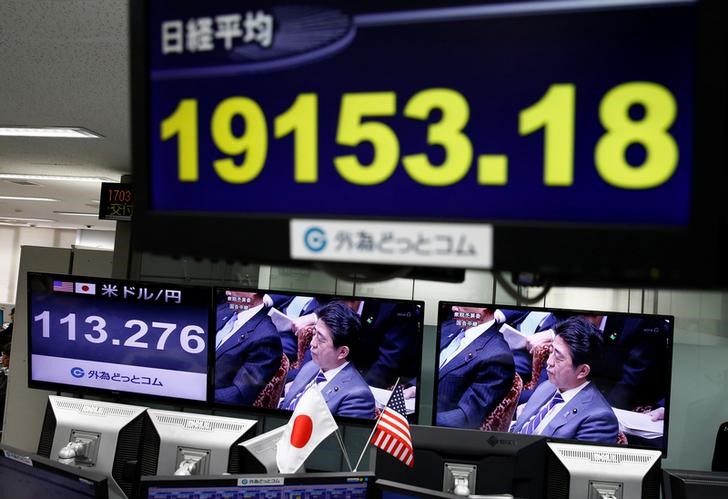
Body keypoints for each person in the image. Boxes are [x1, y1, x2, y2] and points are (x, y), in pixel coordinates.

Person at [511, 317, 619, 443]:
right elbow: (517, 430)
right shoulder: (547, 386)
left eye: (558, 357)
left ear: (582, 371)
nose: (549, 362)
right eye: (551, 352)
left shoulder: (599, 419)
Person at [279, 301, 376, 419]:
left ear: (342, 352)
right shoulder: (310, 367)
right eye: (314, 334)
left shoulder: (357, 397)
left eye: (320, 339)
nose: (312, 343)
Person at [435, 305, 515, 429]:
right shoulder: (449, 326)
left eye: (460, 304)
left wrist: (420, 417)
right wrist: (415, 387)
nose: (453, 308)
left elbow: (465, 417)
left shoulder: (498, 357)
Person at [214, 291, 283, 406]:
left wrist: (200, 395)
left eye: (233, 288)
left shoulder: (267, 338)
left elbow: (239, 394)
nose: (227, 292)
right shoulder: (223, 310)